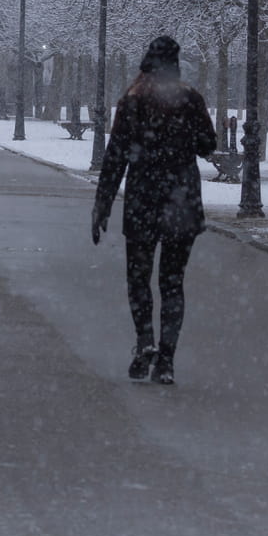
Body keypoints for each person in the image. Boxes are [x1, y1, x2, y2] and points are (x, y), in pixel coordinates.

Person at [91, 35, 217, 386]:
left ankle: (144, 341)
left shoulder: (133, 100)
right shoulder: (190, 99)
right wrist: (184, 141)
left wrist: (101, 206)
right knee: (172, 283)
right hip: (181, 200)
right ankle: (167, 361)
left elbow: (115, 156)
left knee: (139, 278)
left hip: (143, 198)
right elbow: (209, 144)